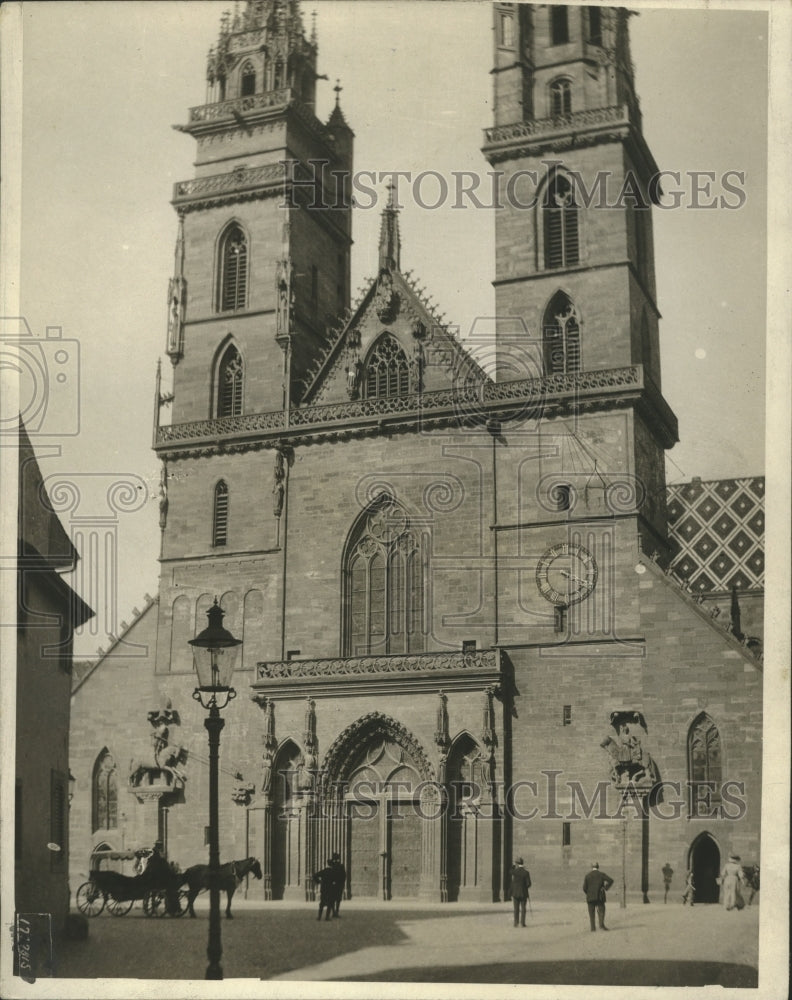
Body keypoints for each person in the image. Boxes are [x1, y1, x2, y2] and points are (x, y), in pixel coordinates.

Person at [582, 862, 613, 932]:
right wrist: (605, 888)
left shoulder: (587, 875)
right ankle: (601, 925)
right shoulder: (601, 874)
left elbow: (584, 888)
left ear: (591, 867)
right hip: (600, 896)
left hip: (590, 897)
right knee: (601, 910)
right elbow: (611, 880)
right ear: (598, 866)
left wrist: (589, 893)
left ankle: (593, 928)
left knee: (591, 913)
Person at [509, 857, 531, 927]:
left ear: (517, 864)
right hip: (523, 893)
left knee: (516, 908)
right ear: (522, 863)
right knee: (523, 908)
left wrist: (513, 865)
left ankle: (516, 923)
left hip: (515, 893)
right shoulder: (526, 872)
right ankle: (522, 923)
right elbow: (528, 884)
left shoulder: (515, 871)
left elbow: (510, 871)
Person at [330, 852, 346, 918]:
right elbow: (344, 876)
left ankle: (334, 912)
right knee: (337, 899)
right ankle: (336, 912)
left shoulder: (332, 866)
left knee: (333, 899)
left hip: (333, 885)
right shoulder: (340, 866)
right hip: (339, 885)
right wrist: (342, 883)